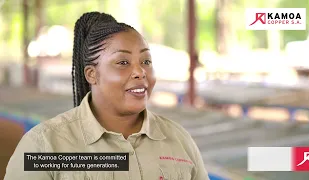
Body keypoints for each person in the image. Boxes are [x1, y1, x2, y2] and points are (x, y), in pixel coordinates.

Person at [4, 12, 209, 180]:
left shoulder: (179, 140)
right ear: (92, 74)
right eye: (123, 62)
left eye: (146, 61)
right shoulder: (45, 146)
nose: (140, 72)